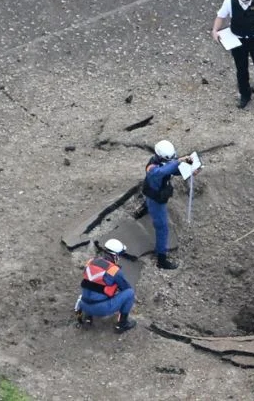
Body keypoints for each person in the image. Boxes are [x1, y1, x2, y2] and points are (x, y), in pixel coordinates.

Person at [142, 140, 196, 270]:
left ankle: (143, 208)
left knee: (150, 204)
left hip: (155, 192)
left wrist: (189, 170)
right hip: (156, 200)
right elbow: (164, 171)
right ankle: (161, 259)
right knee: (162, 228)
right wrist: (178, 162)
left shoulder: (163, 160)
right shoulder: (153, 169)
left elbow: (173, 169)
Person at [76, 239, 136, 332]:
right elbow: (125, 288)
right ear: (115, 256)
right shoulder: (114, 271)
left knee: (91, 288)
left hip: (83, 304)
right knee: (130, 293)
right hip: (101, 309)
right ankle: (122, 324)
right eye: (119, 255)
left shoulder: (90, 262)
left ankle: (88, 318)